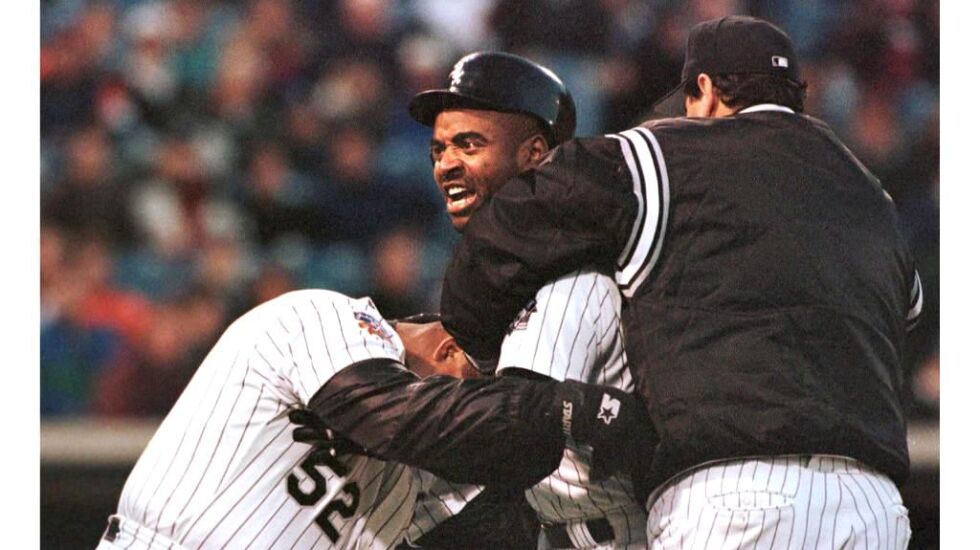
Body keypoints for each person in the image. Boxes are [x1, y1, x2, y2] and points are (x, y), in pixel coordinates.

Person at [438, 16, 921, 549]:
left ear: (706, 90)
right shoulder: (871, 194)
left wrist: (472, 331)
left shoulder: (660, 154)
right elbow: (911, 310)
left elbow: (516, 224)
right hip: (874, 506)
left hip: (737, 493)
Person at [95, 289, 649, 549]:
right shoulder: (323, 316)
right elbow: (399, 417)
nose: (481, 420)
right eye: (482, 393)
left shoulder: (409, 482)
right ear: (450, 348)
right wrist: (565, 409)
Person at [403, 50, 647, 548]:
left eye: (469, 144)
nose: (446, 164)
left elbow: (515, 425)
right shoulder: (498, 280)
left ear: (534, 154)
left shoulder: (574, 274)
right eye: (438, 150)